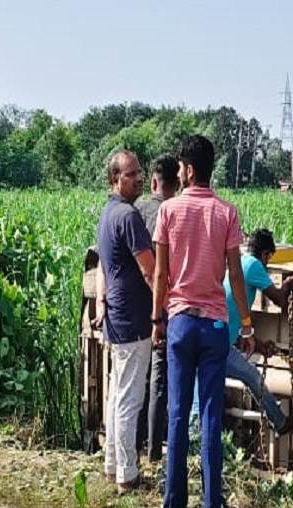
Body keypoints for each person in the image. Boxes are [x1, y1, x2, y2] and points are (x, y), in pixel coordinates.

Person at [152, 134, 253, 508]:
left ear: (189, 170)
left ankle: (174, 505)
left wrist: (157, 319)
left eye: (179, 167)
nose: (178, 173)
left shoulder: (169, 212)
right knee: (211, 415)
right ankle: (213, 507)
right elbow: (234, 276)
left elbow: (162, 273)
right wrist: (245, 323)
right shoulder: (227, 213)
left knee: (177, 413)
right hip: (214, 327)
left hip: (179, 323)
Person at [191, 228, 293, 435]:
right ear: (266, 254)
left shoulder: (237, 262)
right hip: (219, 343)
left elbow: (235, 318)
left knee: (203, 394)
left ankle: (197, 442)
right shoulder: (254, 265)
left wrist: (258, 344)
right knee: (252, 377)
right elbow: (280, 300)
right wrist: (289, 285)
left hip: (212, 335)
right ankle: (280, 422)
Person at [94, 149, 154, 493]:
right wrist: (164, 308)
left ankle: (113, 465)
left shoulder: (107, 213)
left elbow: (104, 264)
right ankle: (128, 474)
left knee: (117, 394)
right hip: (133, 318)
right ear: (115, 179)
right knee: (130, 398)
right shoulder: (128, 217)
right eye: (132, 174)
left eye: (140, 172)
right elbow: (149, 270)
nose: (139, 179)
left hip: (116, 315)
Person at [135, 154, 180, 462]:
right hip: (161, 308)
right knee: (159, 380)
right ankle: (154, 451)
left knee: (134, 380)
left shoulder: (134, 211)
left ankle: (132, 446)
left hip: (133, 308)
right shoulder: (172, 213)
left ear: (153, 181)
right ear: (177, 184)